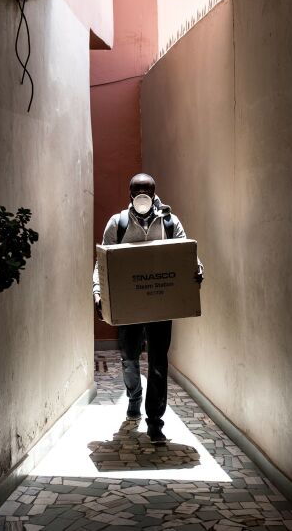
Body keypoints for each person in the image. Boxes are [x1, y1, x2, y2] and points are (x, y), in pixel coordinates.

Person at [93, 173, 204, 443]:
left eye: (147, 190)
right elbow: (102, 262)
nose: (142, 194)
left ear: (155, 192)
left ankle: (155, 421)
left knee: (157, 362)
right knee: (129, 357)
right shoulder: (117, 223)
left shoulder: (169, 220)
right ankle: (134, 396)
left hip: (160, 304)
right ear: (129, 193)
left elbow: (184, 253)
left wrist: (197, 268)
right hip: (128, 304)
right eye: (137, 190)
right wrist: (98, 293)